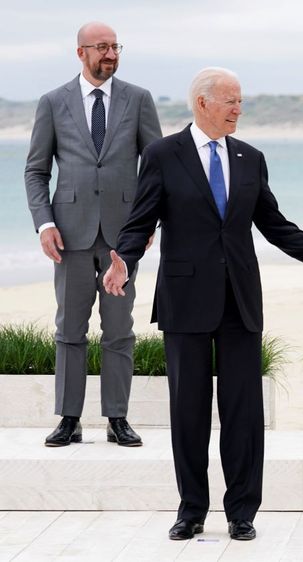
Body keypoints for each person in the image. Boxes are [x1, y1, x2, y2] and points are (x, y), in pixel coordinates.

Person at [102, 67, 303, 541]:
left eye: (240, 101)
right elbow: (140, 220)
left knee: (243, 411)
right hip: (185, 299)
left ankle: (242, 511)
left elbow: (274, 223)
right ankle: (191, 510)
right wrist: (123, 257)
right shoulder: (164, 155)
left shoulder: (250, 157)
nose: (238, 109)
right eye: (231, 100)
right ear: (202, 103)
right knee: (189, 409)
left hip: (240, 299)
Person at [24, 21, 162, 447]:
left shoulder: (139, 99)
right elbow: (36, 170)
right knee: (69, 328)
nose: (111, 54)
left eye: (115, 46)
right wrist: (45, 223)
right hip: (70, 235)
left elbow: (154, 167)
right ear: (80, 52)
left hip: (123, 237)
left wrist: (147, 223)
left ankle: (117, 418)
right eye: (102, 47)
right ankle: (69, 418)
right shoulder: (52, 102)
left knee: (119, 329)